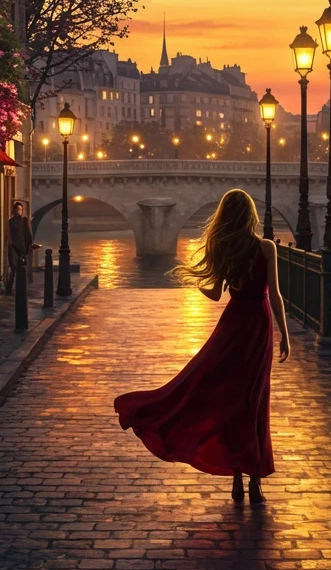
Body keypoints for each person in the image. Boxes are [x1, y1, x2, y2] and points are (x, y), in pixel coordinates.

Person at [113, 189, 290, 505]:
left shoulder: (227, 250)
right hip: (258, 325)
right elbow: (274, 295)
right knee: (255, 400)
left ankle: (237, 477)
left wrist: (194, 280)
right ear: (251, 216)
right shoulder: (267, 248)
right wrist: (285, 335)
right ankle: (255, 482)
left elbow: (216, 295)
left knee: (232, 401)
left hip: (234, 326)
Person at [4, 201, 39, 294]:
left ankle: (19, 288)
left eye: (20, 209)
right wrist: (11, 245)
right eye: (16, 209)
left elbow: (28, 233)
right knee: (13, 269)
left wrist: (30, 244)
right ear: (13, 210)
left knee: (21, 269)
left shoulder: (24, 220)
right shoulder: (10, 221)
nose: (18, 211)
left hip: (22, 248)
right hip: (13, 248)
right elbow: (9, 235)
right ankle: (9, 288)